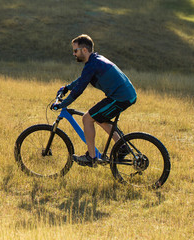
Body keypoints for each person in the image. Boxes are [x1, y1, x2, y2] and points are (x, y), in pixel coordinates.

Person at [51, 34, 137, 167]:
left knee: (87, 118)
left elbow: (79, 90)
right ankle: (122, 146)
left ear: (84, 50)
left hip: (121, 97)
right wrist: (67, 88)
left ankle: (91, 158)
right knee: (98, 117)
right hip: (124, 95)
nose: (74, 54)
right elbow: (82, 79)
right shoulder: (95, 61)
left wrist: (62, 104)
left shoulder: (92, 64)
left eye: (75, 50)